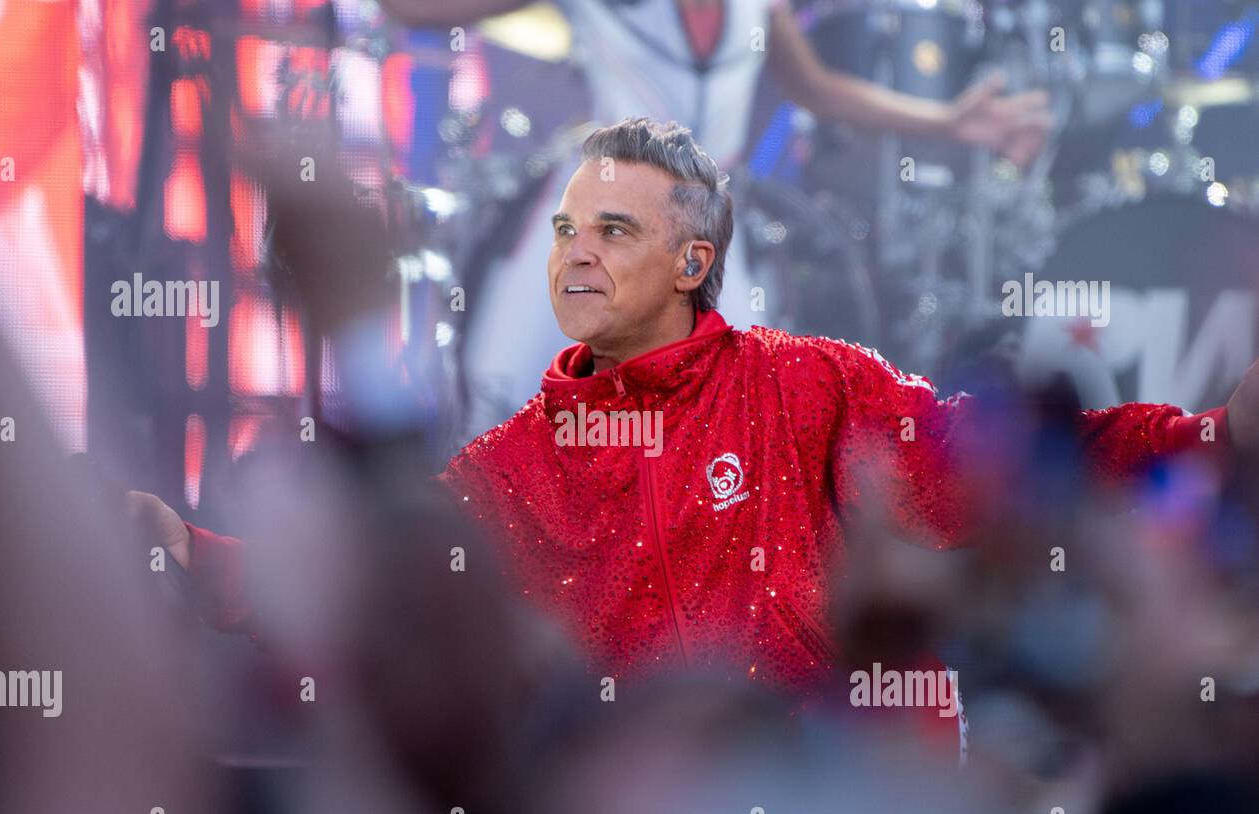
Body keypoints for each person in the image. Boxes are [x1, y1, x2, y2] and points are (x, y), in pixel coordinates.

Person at [133, 118, 1256, 745]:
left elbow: (996, 473)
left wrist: (1212, 438)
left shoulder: (809, 387)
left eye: (612, 230)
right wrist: (200, 561)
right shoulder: (516, 462)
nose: (572, 252)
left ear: (692, 264)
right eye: (567, 228)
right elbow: (384, 588)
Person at [381, 0, 1054, 436]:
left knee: (734, 438)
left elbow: (817, 89)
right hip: (592, 229)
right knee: (504, 412)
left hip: (700, 249)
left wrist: (950, 122)